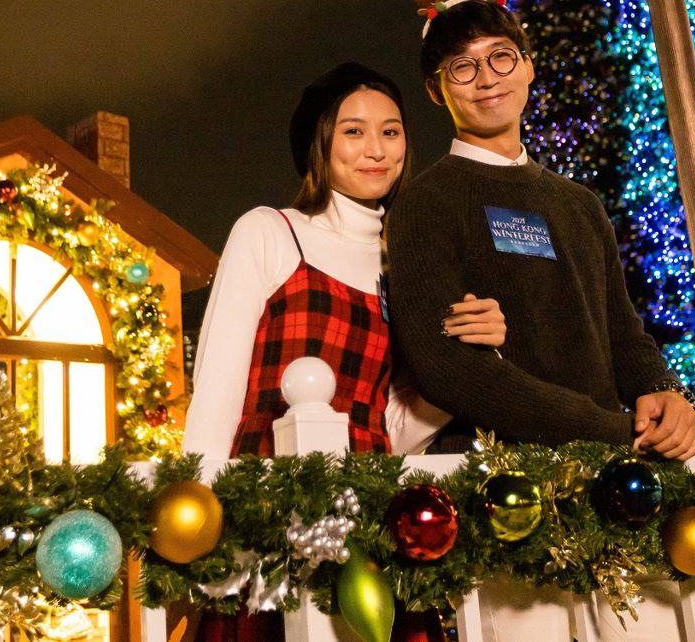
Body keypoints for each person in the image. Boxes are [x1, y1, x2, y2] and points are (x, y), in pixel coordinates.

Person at [386, 0, 695, 459]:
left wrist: (667, 392)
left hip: (611, 470)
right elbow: (447, 368)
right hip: (493, 472)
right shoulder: (425, 202)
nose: (487, 79)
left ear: (528, 66)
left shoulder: (580, 204)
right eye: (462, 67)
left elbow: (622, 334)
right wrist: (611, 433)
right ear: (436, 90)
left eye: (501, 57)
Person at [184, 62, 507, 460]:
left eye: (390, 132)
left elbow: (392, 431)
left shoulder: (405, 267)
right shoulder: (271, 232)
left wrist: (472, 357)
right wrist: (199, 489)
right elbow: (217, 391)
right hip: (265, 480)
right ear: (318, 143)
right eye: (354, 131)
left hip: (367, 488)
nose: (377, 150)